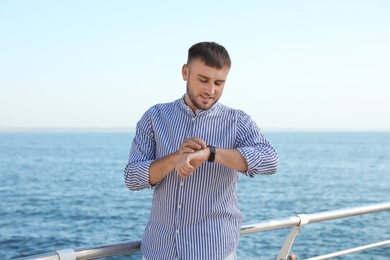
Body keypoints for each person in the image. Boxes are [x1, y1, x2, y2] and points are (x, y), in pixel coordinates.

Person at [124, 41, 279, 260]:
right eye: (203, 80)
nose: (211, 90)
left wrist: (211, 154)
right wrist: (176, 157)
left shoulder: (237, 121)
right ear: (185, 72)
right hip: (159, 251)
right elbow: (132, 178)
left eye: (219, 82)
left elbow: (269, 160)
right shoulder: (154, 117)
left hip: (213, 252)